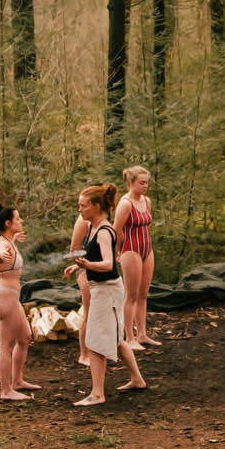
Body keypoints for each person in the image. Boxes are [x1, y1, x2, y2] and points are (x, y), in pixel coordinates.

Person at [64, 184, 149, 406]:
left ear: (96, 206)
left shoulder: (104, 231)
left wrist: (87, 265)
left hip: (107, 290)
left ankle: (97, 394)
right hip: (103, 288)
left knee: (94, 341)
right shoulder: (93, 227)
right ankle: (137, 379)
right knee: (118, 338)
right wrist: (78, 266)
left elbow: (108, 264)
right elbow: (94, 257)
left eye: (83, 206)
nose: (80, 210)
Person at [0, 204, 37, 401]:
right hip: (4, 299)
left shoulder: (9, 241)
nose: (21, 220)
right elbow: (0, 253)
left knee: (25, 338)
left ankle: (17, 381)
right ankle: (6, 390)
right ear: (8, 223)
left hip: (11, 298)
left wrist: (14, 239)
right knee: (6, 345)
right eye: (18, 218)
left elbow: (6, 246)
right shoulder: (2, 244)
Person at [116, 166, 158, 349]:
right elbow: (116, 230)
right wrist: (119, 252)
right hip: (130, 250)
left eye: (147, 182)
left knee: (143, 295)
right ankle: (129, 338)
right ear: (131, 183)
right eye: (141, 183)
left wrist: (147, 249)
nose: (145, 186)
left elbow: (146, 226)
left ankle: (142, 334)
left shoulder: (146, 201)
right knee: (131, 295)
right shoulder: (125, 203)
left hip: (147, 249)